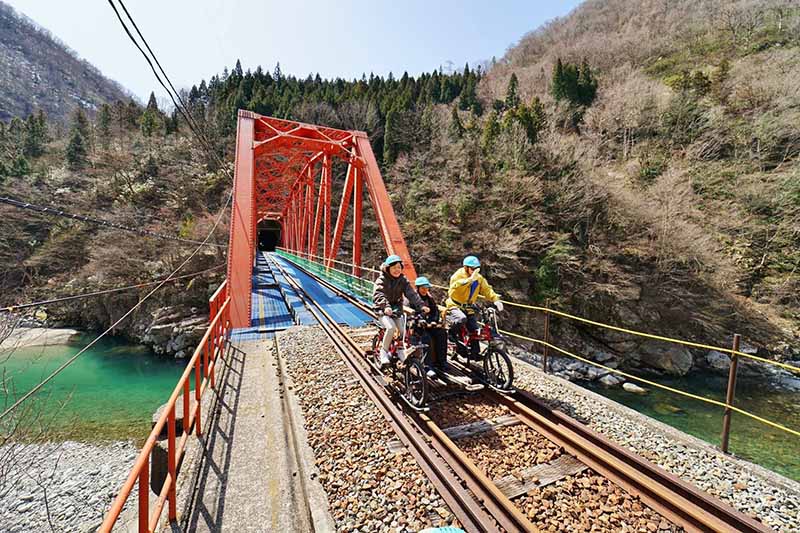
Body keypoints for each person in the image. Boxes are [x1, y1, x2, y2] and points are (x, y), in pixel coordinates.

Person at [372, 255, 429, 367]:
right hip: (382, 308)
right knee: (391, 328)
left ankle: (400, 350)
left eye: (399, 267)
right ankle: (383, 352)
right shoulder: (381, 280)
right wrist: (386, 306)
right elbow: (379, 294)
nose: (397, 270)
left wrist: (421, 305)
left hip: (396, 308)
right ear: (388, 268)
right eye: (394, 268)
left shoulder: (403, 280)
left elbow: (411, 294)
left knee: (403, 330)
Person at [445, 255, 503, 359]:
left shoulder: (478, 278)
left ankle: (475, 353)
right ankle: (451, 335)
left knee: (474, 329)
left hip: (468, 307)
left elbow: (486, 289)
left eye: (477, 269)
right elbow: (454, 287)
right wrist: (469, 280)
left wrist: (495, 299)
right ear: (466, 268)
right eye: (472, 269)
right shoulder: (458, 275)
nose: (474, 271)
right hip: (455, 304)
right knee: (461, 319)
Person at [412, 277, 449, 378]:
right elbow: (411, 312)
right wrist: (419, 320)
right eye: (422, 288)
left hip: (429, 324)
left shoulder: (429, 298)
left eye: (427, 288)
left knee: (442, 333)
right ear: (418, 288)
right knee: (426, 338)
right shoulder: (412, 298)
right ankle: (427, 366)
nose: (425, 290)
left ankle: (442, 361)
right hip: (417, 326)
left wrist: (434, 320)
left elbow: (435, 311)